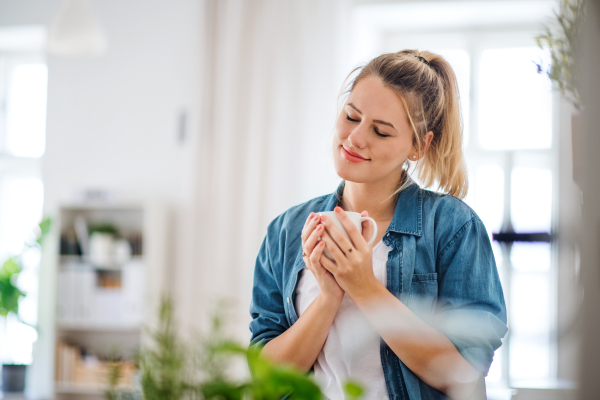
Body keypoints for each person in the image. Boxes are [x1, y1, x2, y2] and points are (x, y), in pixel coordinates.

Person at [249, 50, 507, 400]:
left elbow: (464, 372)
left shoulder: (453, 228)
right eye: (351, 116)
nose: (355, 138)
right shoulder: (286, 230)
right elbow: (268, 377)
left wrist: (364, 287)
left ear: (418, 145)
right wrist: (328, 297)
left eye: (381, 132)